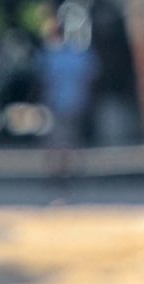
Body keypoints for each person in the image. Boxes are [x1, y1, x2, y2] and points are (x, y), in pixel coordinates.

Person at [37, 15, 98, 176]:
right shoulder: (81, 55)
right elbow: (89, 79)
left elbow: (45, 81)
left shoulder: (51, 56)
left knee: (57, 138)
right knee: (72, 137)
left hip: (57, 102)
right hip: (76, 101)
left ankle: (58, 170)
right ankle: (70, 169)